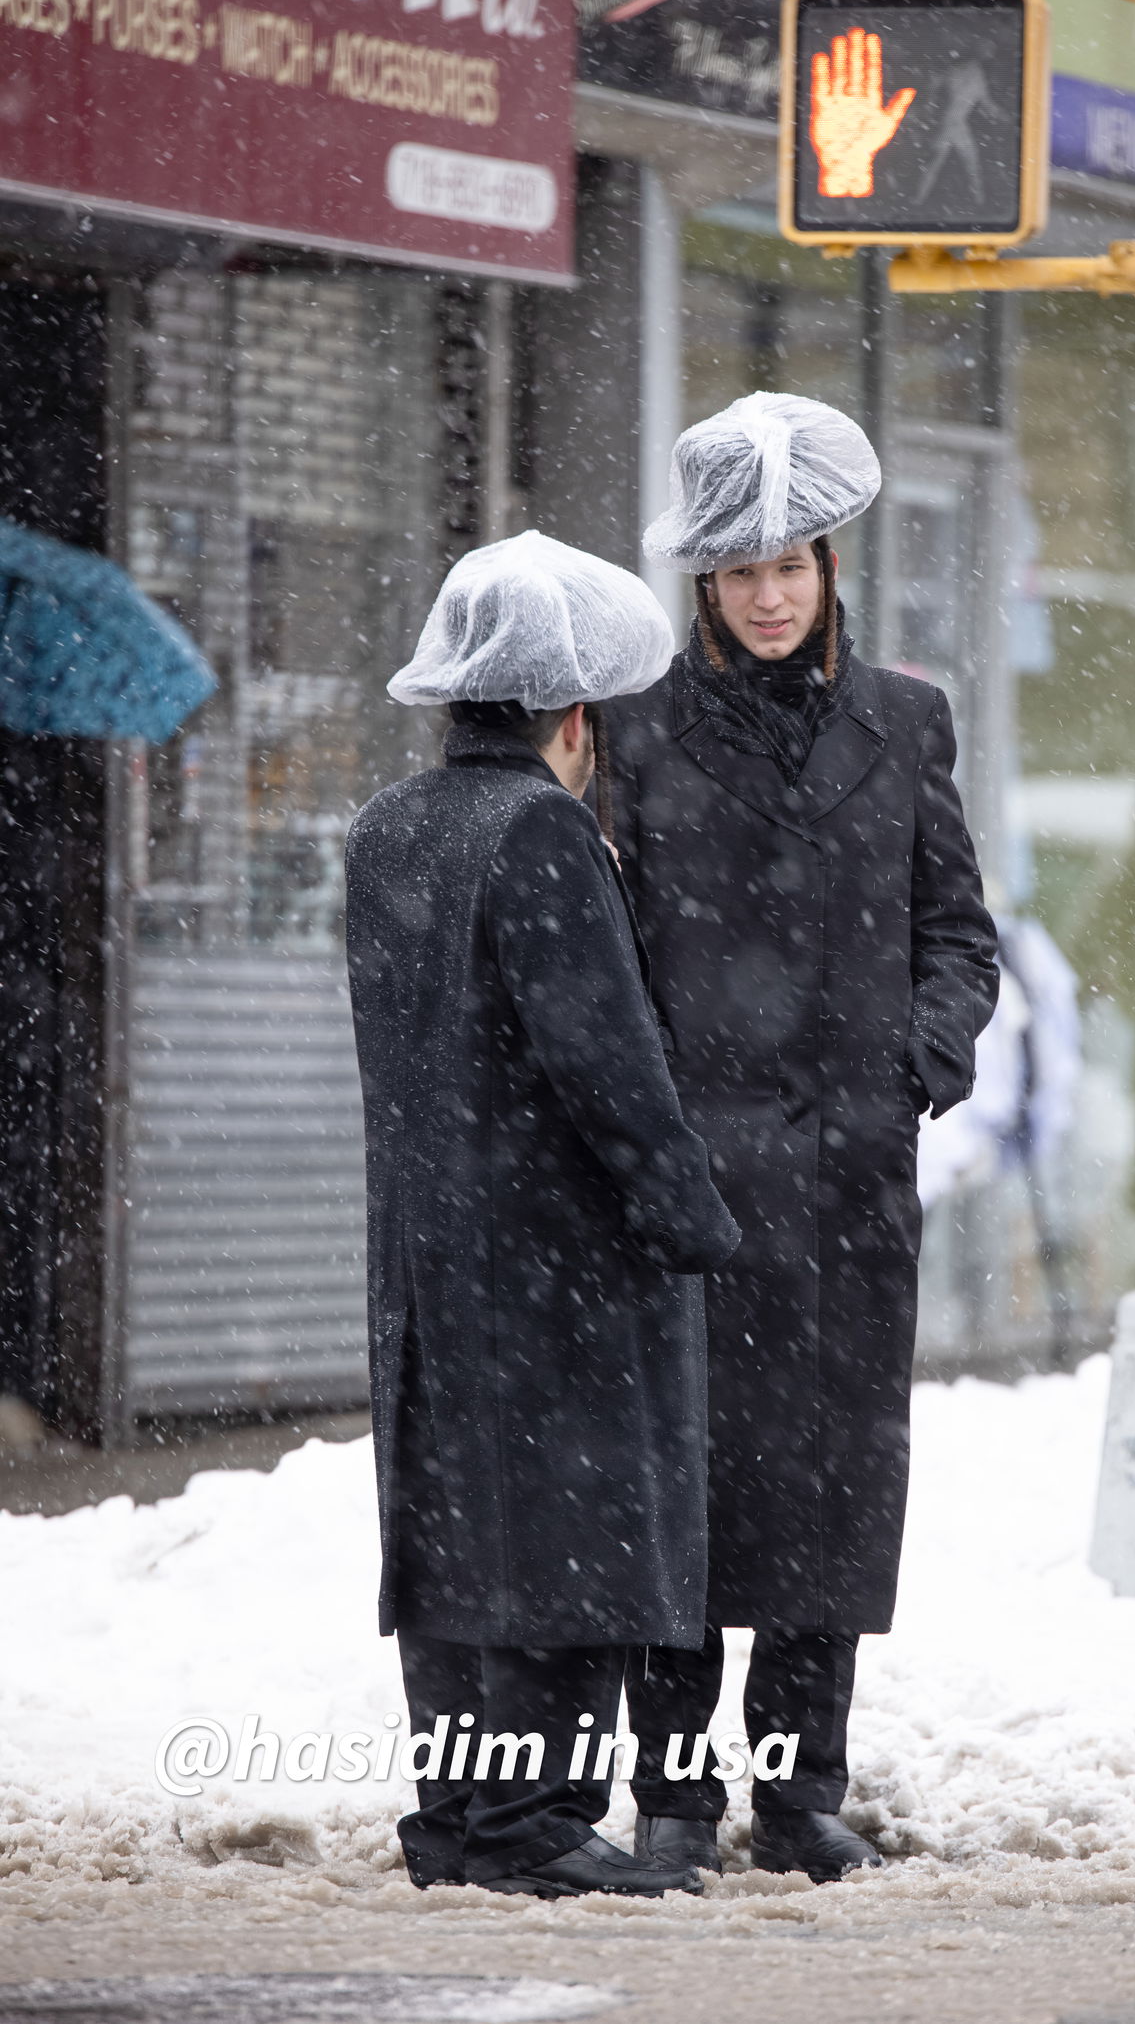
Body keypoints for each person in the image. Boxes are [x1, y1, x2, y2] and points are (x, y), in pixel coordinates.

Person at [607, 393, 1000, 1883]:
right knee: (679, 1481)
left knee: (831, 1482)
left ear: (833, 565)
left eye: (795, 563)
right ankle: (672, 1797)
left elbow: (959, 935)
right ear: (703, 579)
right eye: (741, 567)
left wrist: (910, 1067)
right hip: (688, 1177)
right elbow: (609, 949)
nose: (770, 592)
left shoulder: (904, 720)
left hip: (846, 1176)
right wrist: (647, 1122)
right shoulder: (635, 727)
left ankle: (799, 1786)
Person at [345, 530, 740, 1900]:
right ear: (573, 721)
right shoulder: (544, 832)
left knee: (454, 1529)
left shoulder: (386, 827)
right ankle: (533, 1818)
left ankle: (457, 1810)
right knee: (573, 1530)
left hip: (427, 1260)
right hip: (559, 1261)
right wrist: (690, 1211)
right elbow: (606, 1067)